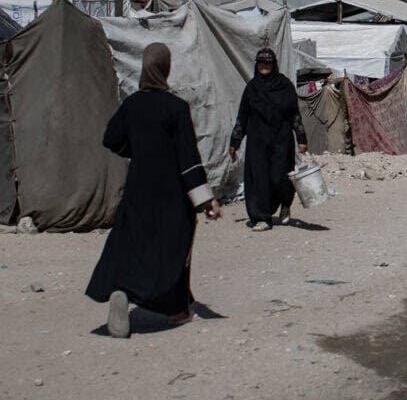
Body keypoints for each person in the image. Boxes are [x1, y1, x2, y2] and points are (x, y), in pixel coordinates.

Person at [86, 43, 221, 338]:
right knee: (175, 246)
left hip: (137, 188)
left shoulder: (132, 105)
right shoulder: (176, 108)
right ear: (166, 68)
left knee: (132, 242)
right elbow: (187, 159)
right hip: (170, 194)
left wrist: (137, 149)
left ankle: (121, 289)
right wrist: (205, 200)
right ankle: (177, 310)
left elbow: (111, 138)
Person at [229, 48, 307, 231]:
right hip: (257, 142)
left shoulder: (285, 85)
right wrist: (235, 142)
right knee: (258, 179)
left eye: (268, 62)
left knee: (280, 177)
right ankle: (261, 217)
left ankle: (285, 203)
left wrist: (301, 138)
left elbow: (294, 114)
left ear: (274, 64)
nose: (264, 66)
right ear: (257, 64)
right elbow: (242, 117)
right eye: (261, 62)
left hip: (281, 140)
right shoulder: (252, 88)